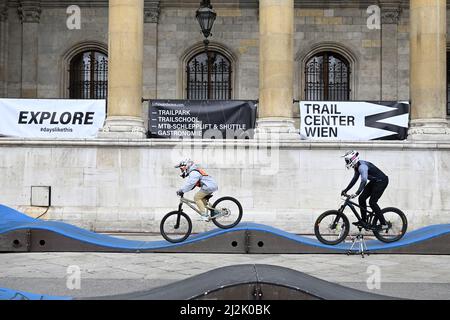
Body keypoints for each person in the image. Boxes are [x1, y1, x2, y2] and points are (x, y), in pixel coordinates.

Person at [341, 151, 389, 230]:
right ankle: (364, 221)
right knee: (361, 198)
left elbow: (364, 181)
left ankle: (384, 224)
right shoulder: (357, 167)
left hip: (382, 181)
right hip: (374, 181)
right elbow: (354, 179)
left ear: (352, 160)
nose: (346, 162)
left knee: (372, 202)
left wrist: (357, 193)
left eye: (347, 161)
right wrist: (346, 190)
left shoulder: (362, 167)